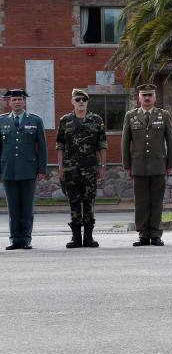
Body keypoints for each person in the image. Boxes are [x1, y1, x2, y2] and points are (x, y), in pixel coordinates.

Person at [122, 84, 172, 247]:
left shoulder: (164, 115)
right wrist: (127, 165)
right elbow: (125, 142)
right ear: (138, 98)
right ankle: (143, 235)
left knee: (157, 201)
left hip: (158, 164)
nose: (146, 98)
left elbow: (171, 141)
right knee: (141, 202)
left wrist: (170, 164)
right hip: (138, 165)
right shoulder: (130, 116)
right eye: (143, 95)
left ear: (155, 97)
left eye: (149, 95)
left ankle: (156, 234)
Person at [56, 89, 107, 248]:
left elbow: (102, 145)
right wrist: (60, 166)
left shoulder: (96, 120)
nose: (81, 102)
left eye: (84, 99)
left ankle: (89, 238)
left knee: (89, 201)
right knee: (74, 201)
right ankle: (76, 238)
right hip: (71, 168)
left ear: (87, 102)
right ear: (72, 101)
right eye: (78, 99)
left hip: (90, 168)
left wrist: (102, 166)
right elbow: (60, 145)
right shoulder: (65, 120)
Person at [0, 89, 47, 250]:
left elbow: (42, 146)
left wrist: (41, 169)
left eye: (20, 99)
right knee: (13, 208)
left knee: (27, 207)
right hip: (8, 170)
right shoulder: (2, 121)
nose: (17, 102)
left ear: (24, 101)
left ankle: (26, 239)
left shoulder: (35, 120)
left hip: (28, 169)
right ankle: (15, 239)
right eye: (14, 99)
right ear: (9, 102)